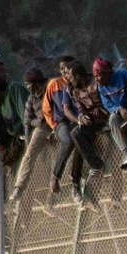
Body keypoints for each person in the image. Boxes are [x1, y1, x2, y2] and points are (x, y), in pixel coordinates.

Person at [62, 61, 108, 208]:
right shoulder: (74, 90)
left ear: (80, 76)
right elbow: (80, 107)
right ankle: (80, 180)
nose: (70, 80)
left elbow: (104, 101)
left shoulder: (95, 82)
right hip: (91, 121)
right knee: (77, 138)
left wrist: (94, 115)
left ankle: (94, 166)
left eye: (72, 77)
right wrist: (82, 117)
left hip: (103, 118)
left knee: (76, 134)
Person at [46, 56, 85, 201]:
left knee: (80, 139)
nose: (64, 72)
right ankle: (56, 176)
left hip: (76, 121)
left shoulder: (77, 83)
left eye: (67, 69)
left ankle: (76, 183)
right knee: (68, 141)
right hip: (61, 122)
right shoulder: (55, 84)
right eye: (62, 69)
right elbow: (46, 108)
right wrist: (53, 126)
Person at [93, 57, 127, 170]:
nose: (97, 79)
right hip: (120, 112)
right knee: (113, 119)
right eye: (95, 76)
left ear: (107, 73)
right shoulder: (101, 87)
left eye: (99, 75)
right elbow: (108, 104)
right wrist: (119, 109)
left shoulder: (122, 75)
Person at [9, 67, 49, 202]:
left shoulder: (52, 91)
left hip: (60, 124)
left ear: (38, 83)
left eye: (30, 85)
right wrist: (28, 143)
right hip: (43, 128)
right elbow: (26, 122)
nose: (29, 89)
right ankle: (19, 188)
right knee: (29, 154)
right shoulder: (31, 99)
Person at [0, 57, 27, 168]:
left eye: (1, 71)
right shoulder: (1, 102)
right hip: (14, 138)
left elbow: (26, 117)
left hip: (26, 134)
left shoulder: (14, 89)